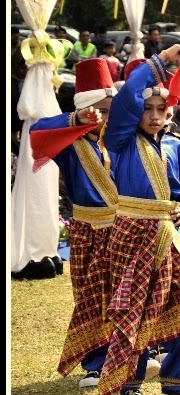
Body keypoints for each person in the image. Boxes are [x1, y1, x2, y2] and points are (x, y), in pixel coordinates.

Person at [101, 47, 180, 395]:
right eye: (147, 109)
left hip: (168, 233)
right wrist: (161, 61)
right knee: (135, 307)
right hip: (131, 232)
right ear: (134, 112)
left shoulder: (175, 146)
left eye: (161, 109)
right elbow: (127, 97)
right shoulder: (121, 140)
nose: (155, 115)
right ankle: (130, 380)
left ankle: (175, 379)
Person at [27, 58, 118, 389]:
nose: (105, 118)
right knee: (90, 297)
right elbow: (37, 132)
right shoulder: (70, 142)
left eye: (110, 111)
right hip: (85, 230)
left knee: (124, 295)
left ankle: (128, 355)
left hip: (122, 229)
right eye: (99, 111)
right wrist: (75, 120)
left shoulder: (120, 140)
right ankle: (95, 364)